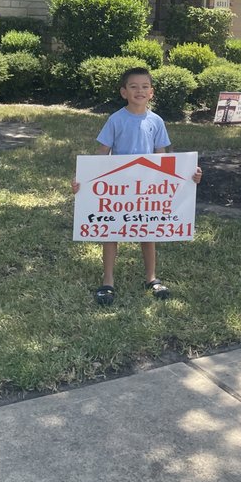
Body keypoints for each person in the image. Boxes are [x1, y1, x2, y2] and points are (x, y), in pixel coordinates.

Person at [72, 66, 202, 306]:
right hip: (118, 189)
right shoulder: (116, 119)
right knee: (111, 231)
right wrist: (85, 182)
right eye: (133, 86)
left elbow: (163, 161)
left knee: (148, 231)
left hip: (147, 191)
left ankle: (151, 278)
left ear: (151, 92)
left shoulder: (156, 121)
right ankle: (108, 281)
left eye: (144, 87)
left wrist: (188, 177)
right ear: (124, 92)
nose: (139, 91)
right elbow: (102, 155)